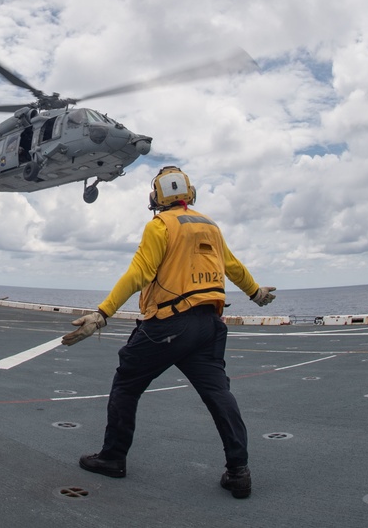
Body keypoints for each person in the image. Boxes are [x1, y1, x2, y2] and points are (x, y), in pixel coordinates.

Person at [61, 166, 276, 499]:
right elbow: (231, 266)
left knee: (126, 383)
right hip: (209, 327)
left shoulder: (159, 226)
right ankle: (239, 472)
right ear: (190, 194)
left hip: (169, 325)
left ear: (155, 198)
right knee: (219, 395)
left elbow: (138, 274)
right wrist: (256, 292)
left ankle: (113, 457)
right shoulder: (210, 225)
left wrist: (103, 313)